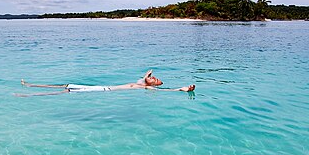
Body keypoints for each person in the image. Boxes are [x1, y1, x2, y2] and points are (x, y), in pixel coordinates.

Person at [14, 69, 195, 96]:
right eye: (155, 78)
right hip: (103, 87)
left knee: (68, 91)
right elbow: (146, 75)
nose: (154, 78)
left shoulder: (148, 88)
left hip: (103, 90)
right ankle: (30, 85)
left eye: (156, 80)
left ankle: (30, 94)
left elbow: (168, 91)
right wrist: (149, 74)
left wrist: (183, 89)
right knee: (67, 85)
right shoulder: (142, 83)